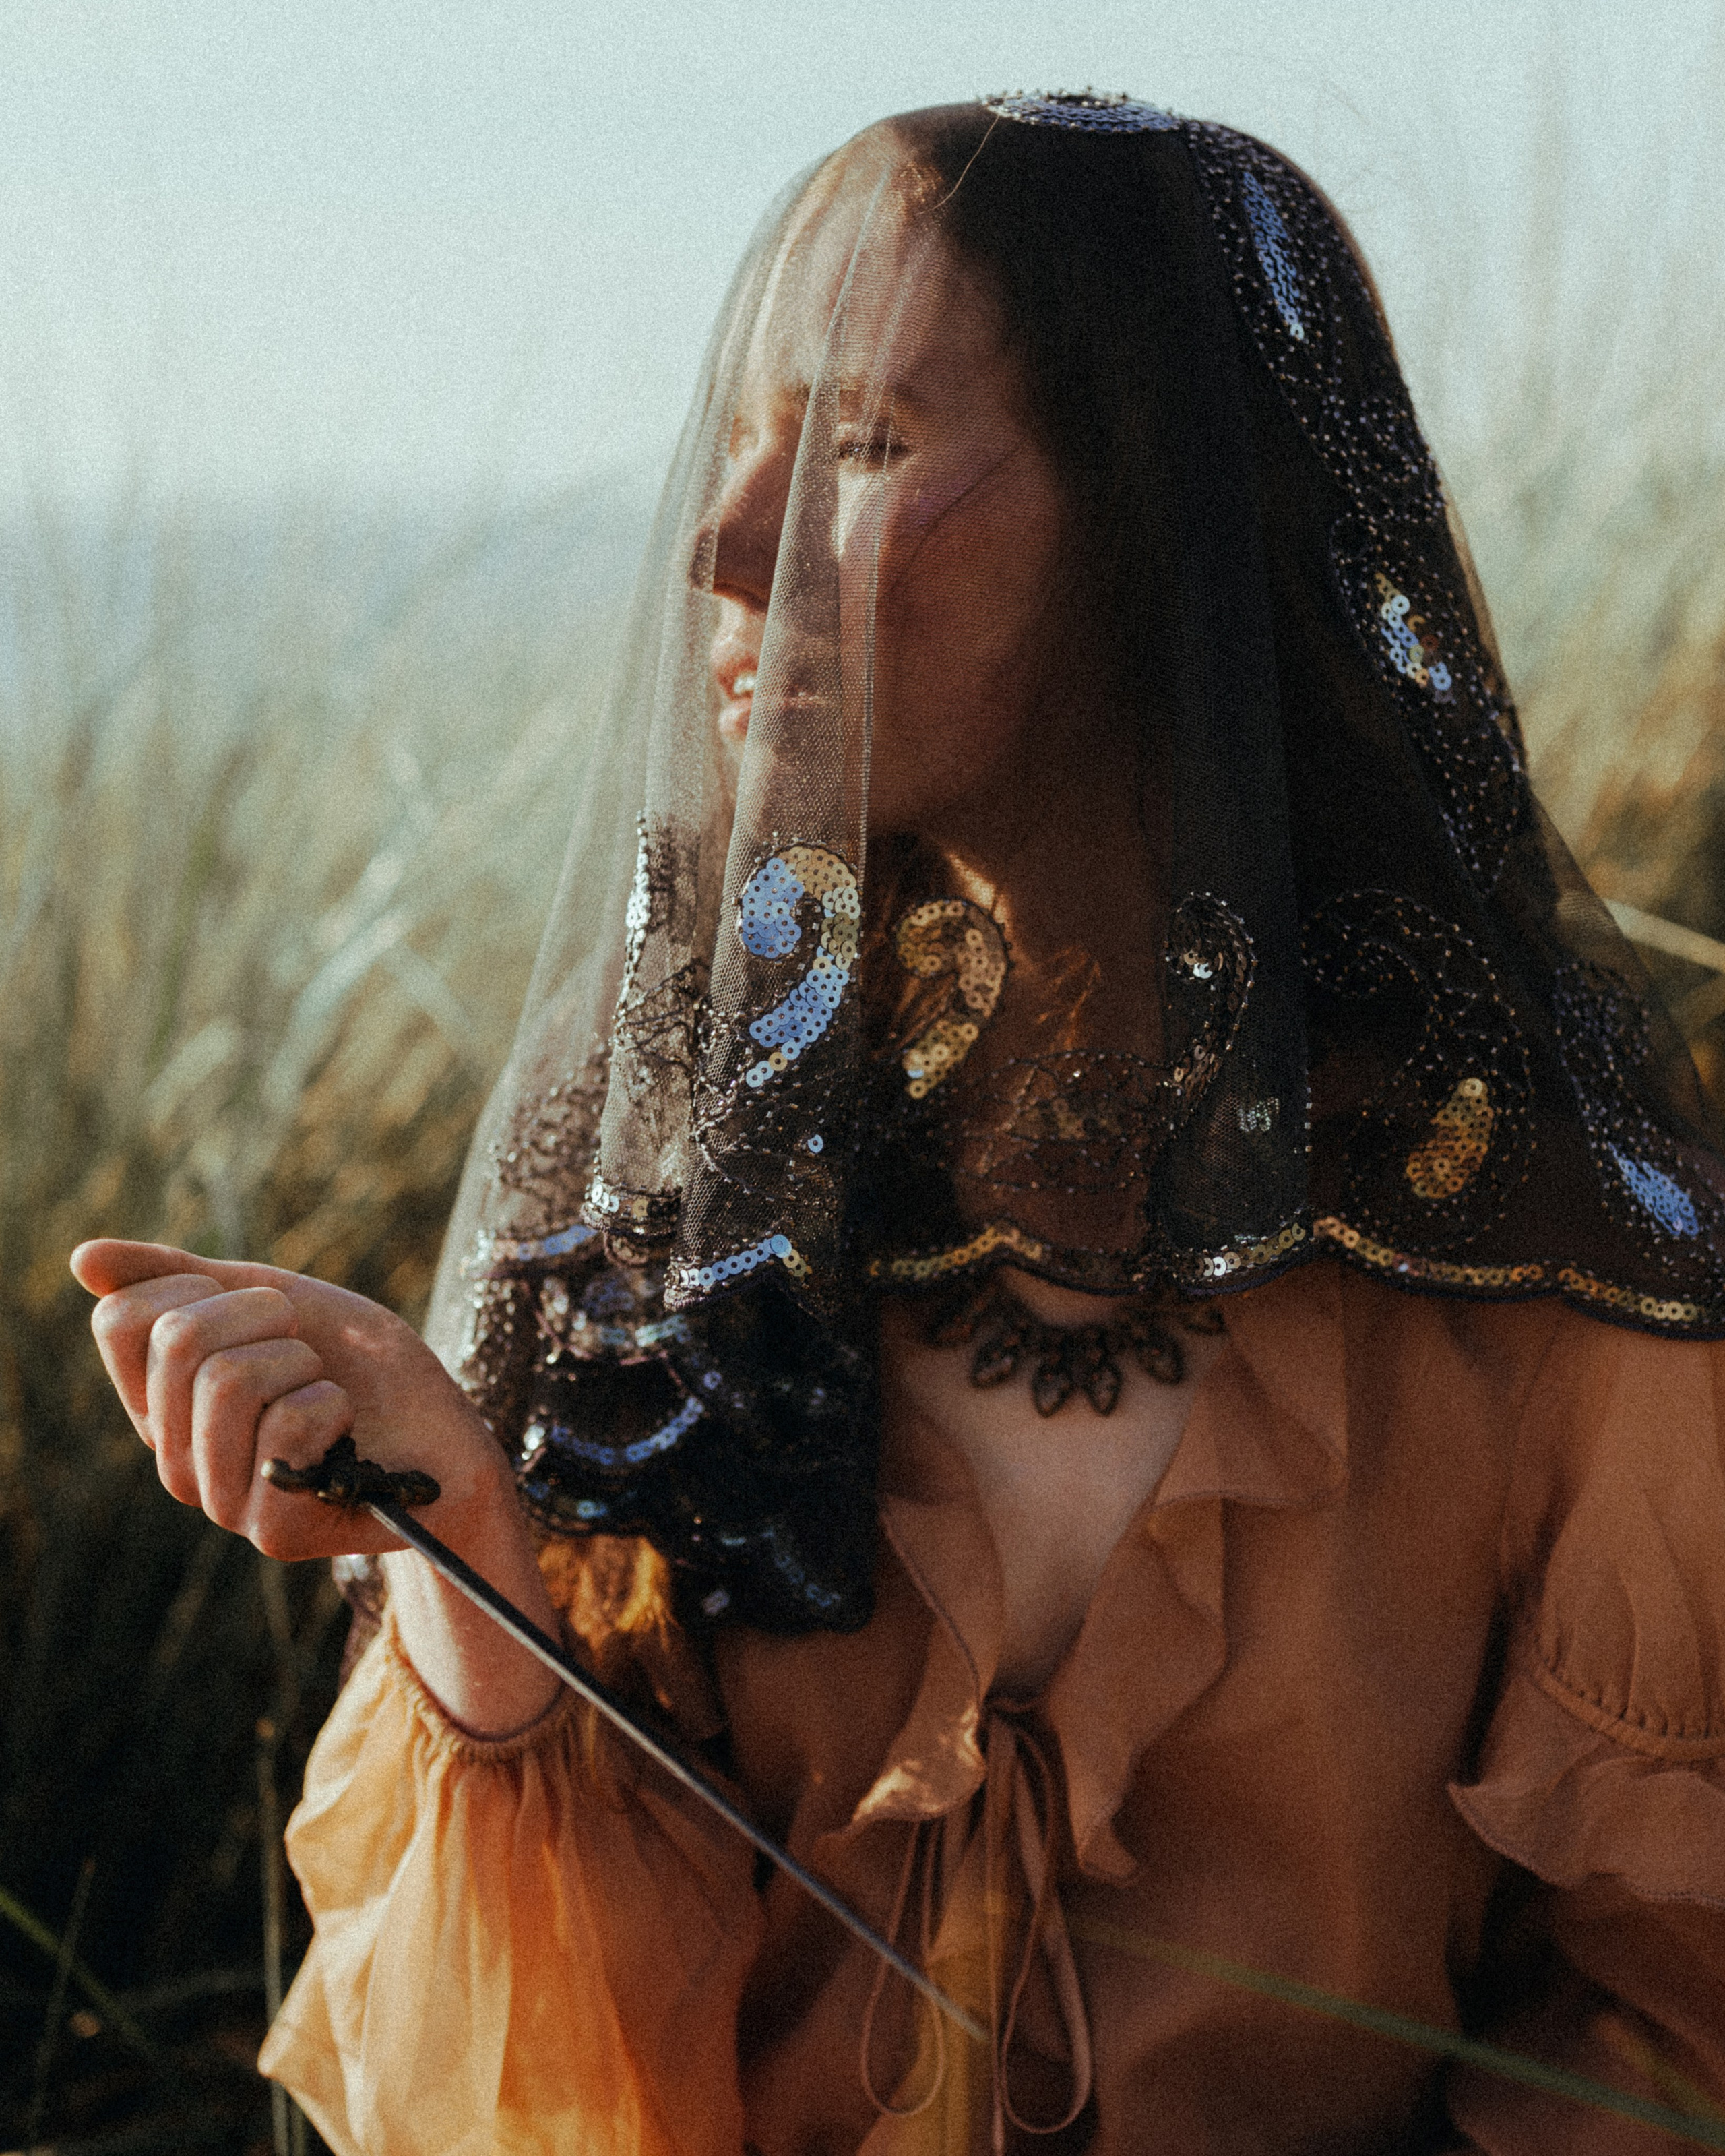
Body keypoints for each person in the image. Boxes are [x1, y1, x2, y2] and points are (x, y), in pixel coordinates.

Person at [72, 95, 1725, 2155]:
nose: (726, 539)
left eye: (861, 444)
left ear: (1164, 529)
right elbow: (530, 2099)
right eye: (753, 435)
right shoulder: (677, 1190)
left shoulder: (1543, 1254)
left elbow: (1672, 2024)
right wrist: (472, 1586)